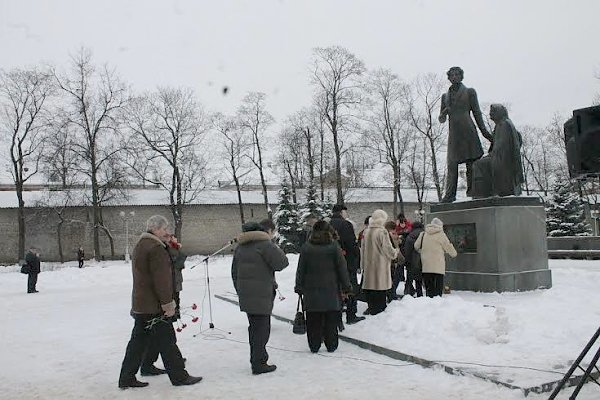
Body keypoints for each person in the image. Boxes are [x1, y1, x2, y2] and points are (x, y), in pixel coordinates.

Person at [118, 215, 202, 389]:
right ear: (155, 229)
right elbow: (162, 280)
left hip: (141, 305)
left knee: (138, 343)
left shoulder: (142, 244)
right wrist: (168, 305)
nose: (167, 232)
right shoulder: (156, 248)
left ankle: (127, 377)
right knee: (167, 341)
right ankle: (179, 376)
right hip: (154, 306)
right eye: (164, 229)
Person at [231, 219, 289, 375]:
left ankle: (257, 359)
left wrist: (240, 290)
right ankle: (259, 363)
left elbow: (234, 272)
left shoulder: (240, 247)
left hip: (247, 294)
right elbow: (282, 263)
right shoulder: (265, 245)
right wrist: (273, 244)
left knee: (254, 328)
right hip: (262, 293)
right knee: (262, 329)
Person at [295, 220, 352, 353]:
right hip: (331, 290)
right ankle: (331, 345)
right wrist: (347, 286)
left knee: (313, 319)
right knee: (331, 319)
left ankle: (314, 345)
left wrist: (299, 286)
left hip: (311, 292)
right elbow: (342, 269)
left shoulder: (307, 247)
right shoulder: (334, 247)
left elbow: (301, 269)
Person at [438, 66, 493, 203]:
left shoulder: (469, 92)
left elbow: (477, 113)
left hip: (468, 131)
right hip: (454, 135)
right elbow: (441, 119)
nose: (455, 77)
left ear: (462, 77)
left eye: (457, 74)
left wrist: (486, 133)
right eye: (452, 75)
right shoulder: (445, 97)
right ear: (449, 78)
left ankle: (474, 193)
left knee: (472, 164)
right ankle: (449, 195)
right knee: (452, 164)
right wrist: (444, 112)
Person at [140, 234, 188, 376]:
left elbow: (181, 262)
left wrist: (176, 247)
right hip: (167, 292)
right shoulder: (162, 250)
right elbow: (176, 262)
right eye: (169, 236)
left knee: (160, 332)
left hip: (173, 288)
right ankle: (166, 364)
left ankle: (148, 363)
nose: (173, 238)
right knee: (162, 332)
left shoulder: (167, 248)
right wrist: (174, 248)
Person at [329, 204, 365, 325]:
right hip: (347, 261)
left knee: (336, 289)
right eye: (345, 212)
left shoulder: (327, 224)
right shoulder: (346, 224)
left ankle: (336, 315)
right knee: (350, 287)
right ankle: (351, 315)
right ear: (341, 212)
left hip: (331, 263)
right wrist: (356, 255)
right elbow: (351, 244)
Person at [360, 210, 401, 315]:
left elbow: (362, 249)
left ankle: (371, 306)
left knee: (370, 286)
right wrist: (395, 253)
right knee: (380, 286)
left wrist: (362, 264)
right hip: (380, 264)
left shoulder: (366, 231)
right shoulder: (382, 231)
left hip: (369, 264)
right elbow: (387, 248)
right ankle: (379, 309)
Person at [414, 218, 457, 297]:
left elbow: (416, 246)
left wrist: (423, 251)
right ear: (440, 226)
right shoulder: (441, 234)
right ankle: (437, 304)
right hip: (438, 267)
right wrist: (454, 253)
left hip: (426, 266)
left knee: (429, 289)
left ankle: (429, 304)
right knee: (437, 289)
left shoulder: (423, 234)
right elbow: (448, 247)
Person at [403, 221, 425, 297]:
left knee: (411, 277)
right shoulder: (425, 235)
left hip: (412, 260)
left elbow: (407, 250)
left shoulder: (409, 236)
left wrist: (407, 260)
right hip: (423, 259)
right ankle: (421, 294)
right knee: (421, 277)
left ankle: (409, 292)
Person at [384, 221, 402, 302]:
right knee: (393, 279)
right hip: (391, 261)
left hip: (389, 261)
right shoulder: (388, 235)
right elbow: (393, 248)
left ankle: (390, 294)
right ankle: (391, 295)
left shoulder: (387, 234)